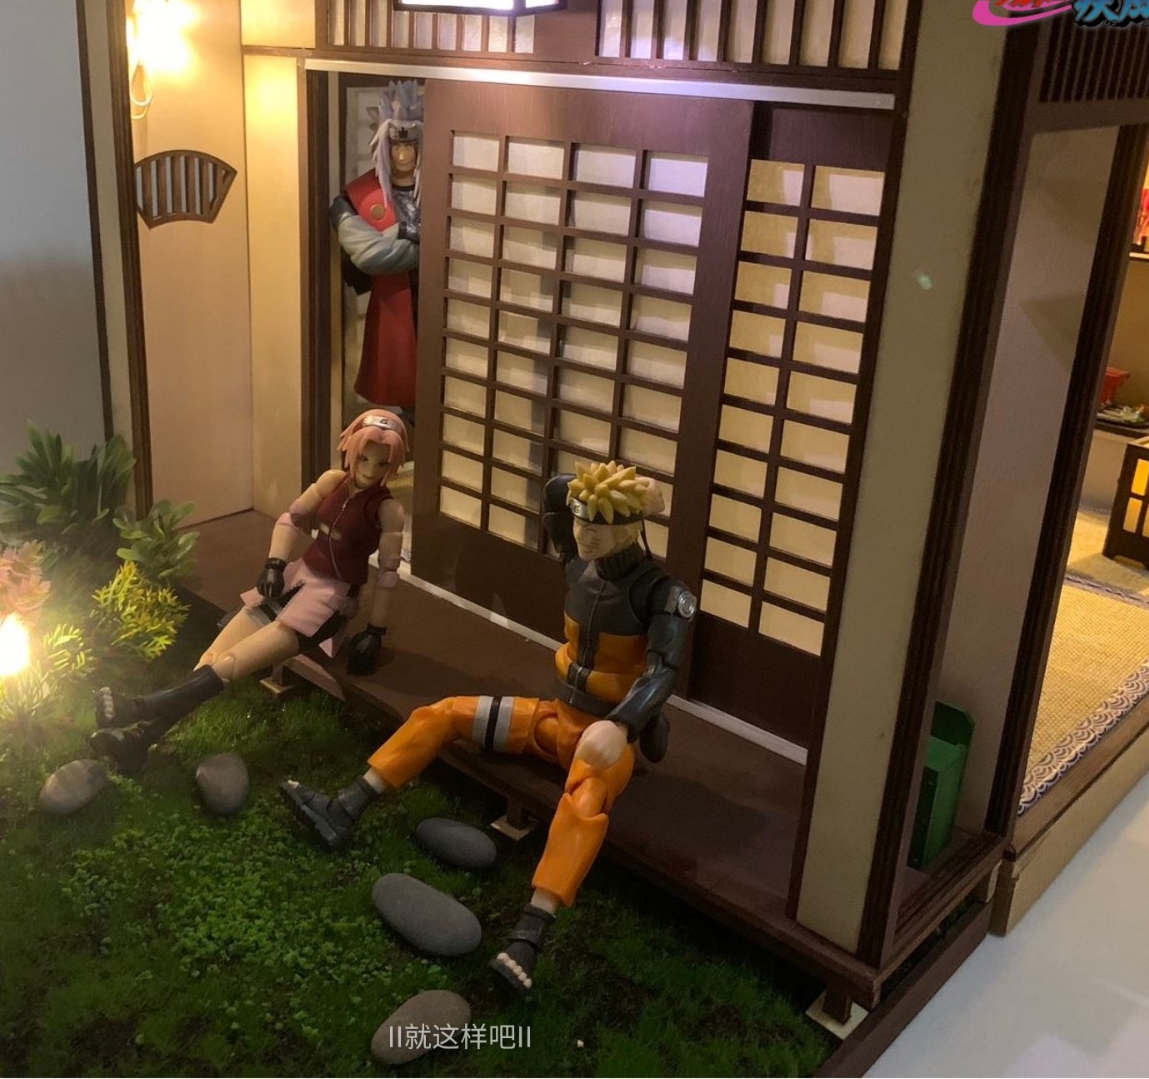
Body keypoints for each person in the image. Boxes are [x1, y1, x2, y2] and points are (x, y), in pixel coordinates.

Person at [282, 461, 696, 996]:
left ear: (633, 527)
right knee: (442, 713)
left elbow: (663, 671)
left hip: (605, 741)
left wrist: (622, 725)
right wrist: (600, 485)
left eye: (601, 523)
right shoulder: (579, 565)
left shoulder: (663, 594)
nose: (585, 533)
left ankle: (529, 936)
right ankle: (345, 807)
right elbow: (553, 495)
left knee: (584, 802)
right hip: (553, 720)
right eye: (582, 519)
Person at [89, 410, 408, 775]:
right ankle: (139, 741)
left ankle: (135, 709)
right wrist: (274, 563)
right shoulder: (332, 481)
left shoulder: (388, 510)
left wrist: (375, 631)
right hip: (294, 578)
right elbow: (291, 518)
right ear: (350, 450)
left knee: (231, 664)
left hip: (328, 602)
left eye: (381, 463)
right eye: (363, 458)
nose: (369, 469)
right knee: (211, 657)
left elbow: (388, 574)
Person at [331, 80, 422, 415]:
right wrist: (417, 237)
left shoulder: (444, 190)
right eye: (395, 145)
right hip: (391, 306)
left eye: (411, 145)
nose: (403, 155)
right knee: (402, 391)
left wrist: (399, 238)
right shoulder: (350, 200)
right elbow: (372, 256)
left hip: (440, 306)